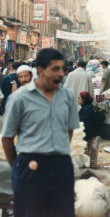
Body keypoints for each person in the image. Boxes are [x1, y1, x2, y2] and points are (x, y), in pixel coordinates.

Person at [1, 48, 79, 217]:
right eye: (55, 69)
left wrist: (59, 152)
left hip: (61, 166)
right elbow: (7, 139)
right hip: (30, 166)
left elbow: (69, 130)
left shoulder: (68, 97)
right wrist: (17, 169)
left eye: (62, 69)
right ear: (41, 70)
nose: (61, 74)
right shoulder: (19, 98)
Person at [78, 91, 105, 167]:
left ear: (84, 100)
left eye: (79, 98)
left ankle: (87, 163)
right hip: (93, 132)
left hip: (89, 132)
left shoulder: (86, 109)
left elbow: (84, 124)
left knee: (85, 146)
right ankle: (90, 163)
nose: (77, 99)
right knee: (89, 147)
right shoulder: (89, 107)